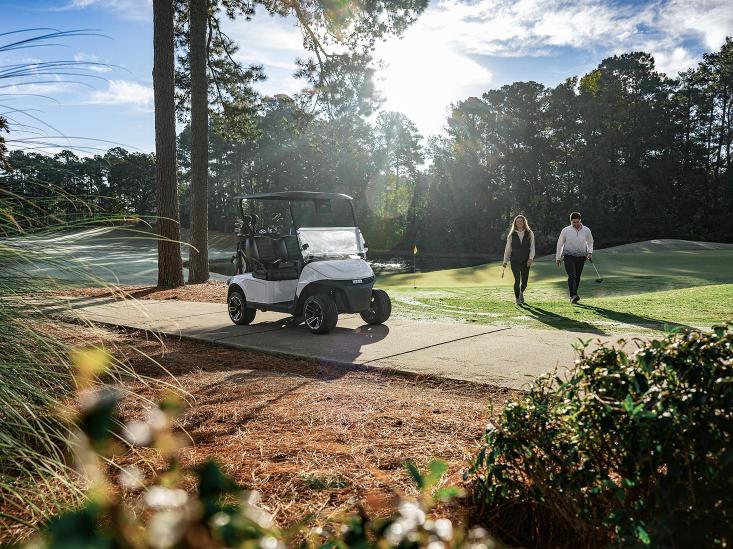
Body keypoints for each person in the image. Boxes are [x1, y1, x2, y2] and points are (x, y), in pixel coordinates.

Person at [555, 211, 594, 304]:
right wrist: (558, 257)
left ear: (580, 220)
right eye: (573, 222)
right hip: (569, 256)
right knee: (572, 276)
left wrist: (590, 252)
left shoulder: (586, 230)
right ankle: (573, 295)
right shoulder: (566, 230)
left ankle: (574, 296)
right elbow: (560, 244)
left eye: (577, 222)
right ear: (570, 221)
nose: (576, 224)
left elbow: (590, 242)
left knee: (577, 277)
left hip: (581, 257)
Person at [503, 214, 535, 305]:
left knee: (524, 282)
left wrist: (531, 258)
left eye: (521, 221)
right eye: (518, 221)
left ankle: (521, 292)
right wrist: (505, 261)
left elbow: (532, 247)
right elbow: (508, 248)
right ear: (515, 223)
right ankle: (517, 299)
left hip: (526, 260)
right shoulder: (512, 235)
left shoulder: (529, 233)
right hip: (514, 260)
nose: (519, 223)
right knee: (517, 280)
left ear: (524, 222)